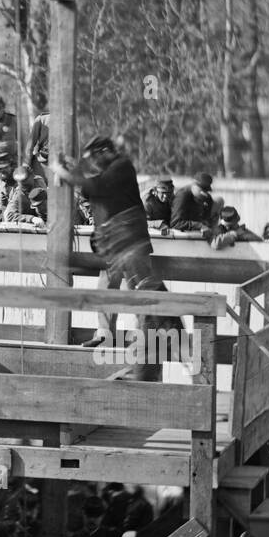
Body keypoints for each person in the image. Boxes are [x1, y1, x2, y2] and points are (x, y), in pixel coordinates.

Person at [51, 135, 180, 378]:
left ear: (104, 152)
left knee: (141, 290)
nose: (93, 162)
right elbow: (89, 190)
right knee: (108, 288)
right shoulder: (108, 174)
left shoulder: (121, 167)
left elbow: (94, 187)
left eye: (94, 157)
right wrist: (73, 169)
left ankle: (149, 339)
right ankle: (104, 335)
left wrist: (63, 170)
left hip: (129, 242)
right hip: (115, 244)